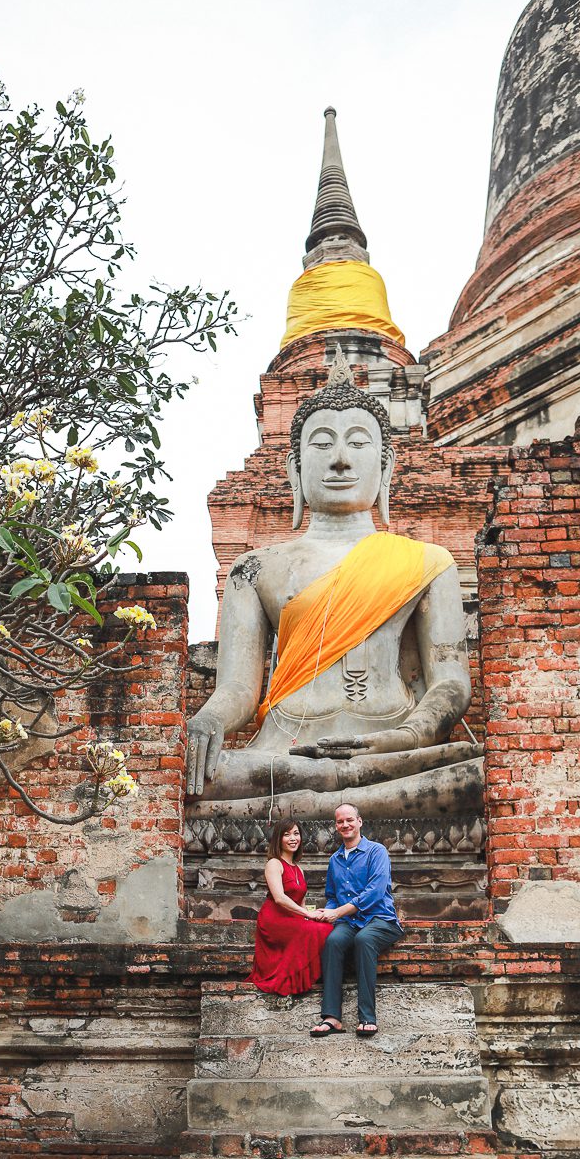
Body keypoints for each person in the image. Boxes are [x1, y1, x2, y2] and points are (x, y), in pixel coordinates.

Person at [185, 348, 476, 823]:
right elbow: (238, 687)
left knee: (472, 774)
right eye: (322, 444)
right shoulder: (254, 568)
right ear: (294, 470)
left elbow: (449, 684)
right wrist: (208, 721)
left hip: (393, 754)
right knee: (201, 777)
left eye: (358, 443)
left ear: (386, 468)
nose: (340, 460)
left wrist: (404, 737)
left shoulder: (428, 562)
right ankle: (334, 803)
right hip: (282, 754)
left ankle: (324, 804)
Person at [309, 803, 403, 1038]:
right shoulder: (335, 859)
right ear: (336, 826)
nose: (345, 824)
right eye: (340, 821)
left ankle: (367, 1017)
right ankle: (331, 1017)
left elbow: (374, 892)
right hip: (350, 923)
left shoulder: (376, 852)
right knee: (333, 942)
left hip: (380, 919)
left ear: (359, 821)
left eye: (349, 820)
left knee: (364, 940)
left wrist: (339, 912)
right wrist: (326, 912)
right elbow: (332, 896)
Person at [249, 819, 334, 996]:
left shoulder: (299, 870)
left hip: (293, 918)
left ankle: (308, 976)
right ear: (279, 839)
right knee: (319, 929)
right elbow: (280, 898)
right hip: (274, 919)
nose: (292, 838)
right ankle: (294, 978)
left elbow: (300, 901)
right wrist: (307, 916)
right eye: (287, 834)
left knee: (326, 927)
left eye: (296, 834)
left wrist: (311, 914)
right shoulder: (274, 864)